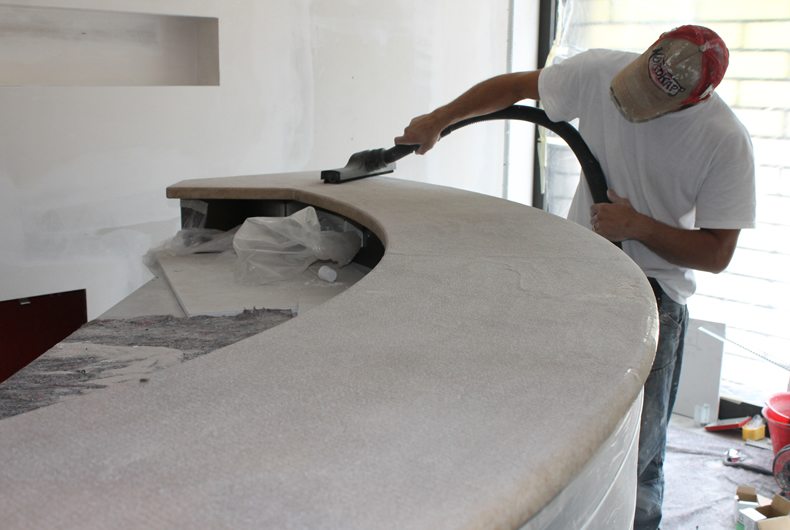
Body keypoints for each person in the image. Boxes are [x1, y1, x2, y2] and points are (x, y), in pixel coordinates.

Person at [395, 25, 755, 530]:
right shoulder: (601, 70)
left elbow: (717, 253)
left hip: (656, 296)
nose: (633, 103)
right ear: (649, 49)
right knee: (561, 423)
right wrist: (438, 119)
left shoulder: (724, 141)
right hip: (584, 271)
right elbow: (516, 87)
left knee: (637, 450)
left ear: (695, 99)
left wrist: (638, 227)